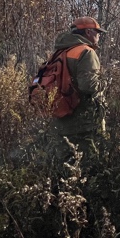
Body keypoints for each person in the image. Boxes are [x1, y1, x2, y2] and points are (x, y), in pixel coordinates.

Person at [48, 16, 107, 163]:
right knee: (88, 165)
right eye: (97, 32)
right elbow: (88, 86)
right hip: (83, 122)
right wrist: (105, 83)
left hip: (61, 118)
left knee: (64, 165)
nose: (98, 35)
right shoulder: (86, 52)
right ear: (88, 32)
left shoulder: (59, 53)